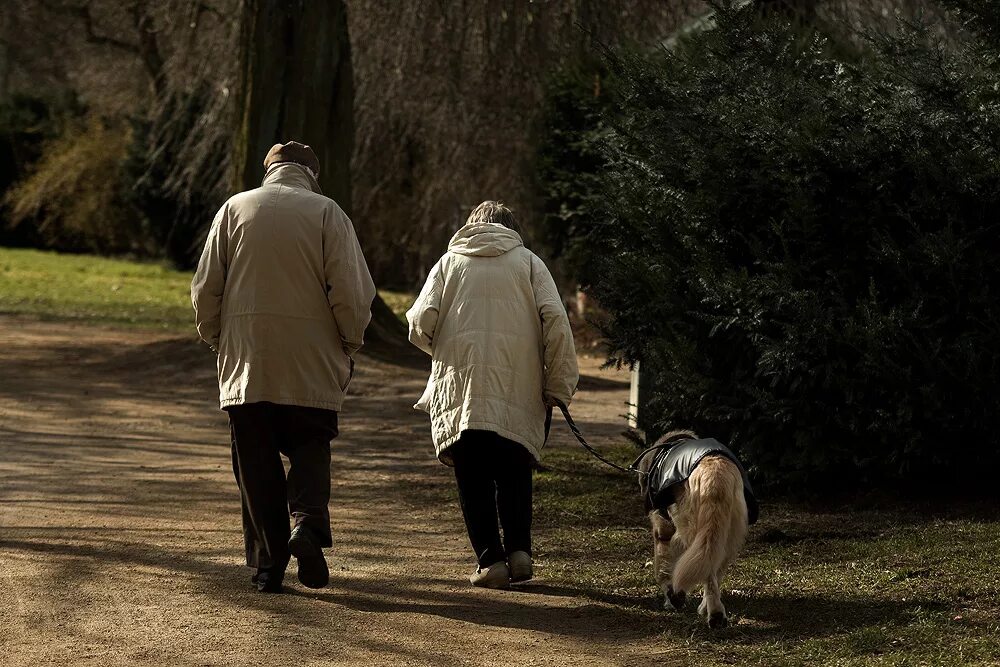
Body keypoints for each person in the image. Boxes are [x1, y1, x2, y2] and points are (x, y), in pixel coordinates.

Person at [191, 141, 376, 593]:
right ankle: (308, 527)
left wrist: (218, 338)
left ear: (268, 171)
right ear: (311, 174)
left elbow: (205, 288)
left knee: (255, 464)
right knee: (311, 446)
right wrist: (350, 340)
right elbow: (351, 291)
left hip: (248, 358)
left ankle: (268, 568)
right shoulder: (328, 213)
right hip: (310, 358)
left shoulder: (234, 209)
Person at [406, 201, 579, 589]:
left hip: (463, 389)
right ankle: (520, 554)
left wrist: (445, 348)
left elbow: (419, 323)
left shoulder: (449, 263)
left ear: (470, 226)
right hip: (519, 385)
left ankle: (490, 560)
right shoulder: (530, 264)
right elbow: (556, 323)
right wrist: (559, 385)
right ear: (512, 229)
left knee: (473, 476)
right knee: (515, 467)